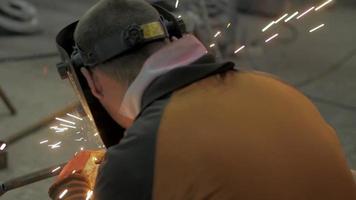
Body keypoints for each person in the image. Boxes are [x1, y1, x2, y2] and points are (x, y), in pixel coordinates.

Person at [50, 0, 356, 199]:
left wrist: (73, 186)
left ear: (91, 82)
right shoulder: (278, 89)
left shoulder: (143, 152)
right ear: (173, 39)